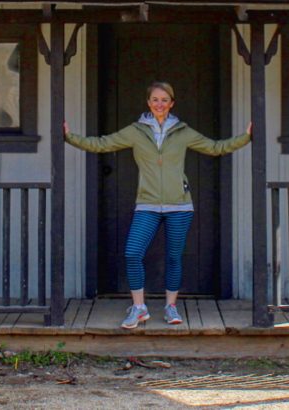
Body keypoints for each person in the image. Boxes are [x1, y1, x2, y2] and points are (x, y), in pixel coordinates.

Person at [63, 81, 252, 329]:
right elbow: (101, 144)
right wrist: (68, 137)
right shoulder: (135, 131)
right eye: (155, 99)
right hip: (148, 204)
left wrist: (247, 137)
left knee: (174, 257)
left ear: (172, 103)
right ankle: (139, 308)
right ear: (148, 103)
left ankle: (171, 306)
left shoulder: (183, 132)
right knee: (132, 252)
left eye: (164, 100)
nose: (159, 104)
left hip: (180, 206)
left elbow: (216, 147)